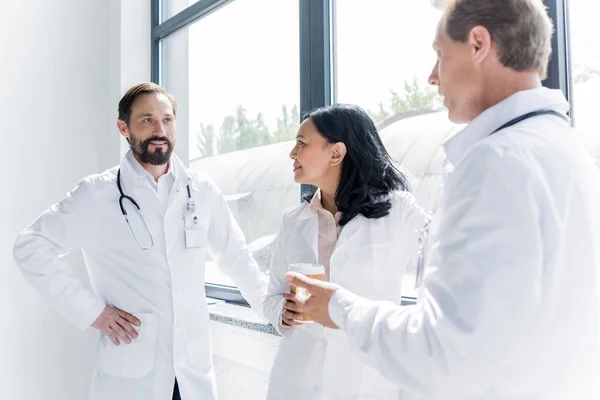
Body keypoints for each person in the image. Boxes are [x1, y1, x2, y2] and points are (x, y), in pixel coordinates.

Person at [285, 0, 600, 399]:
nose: (433, 77)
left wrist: (338, 308)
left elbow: (440, 356)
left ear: (478, 44)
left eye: (439, 55)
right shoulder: (568, 152)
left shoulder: (494, 162)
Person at [12, 82, 267, 400]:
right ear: (124, 127)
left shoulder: (201, 190)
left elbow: (237, 259)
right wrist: (92, 312)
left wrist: (274, 311)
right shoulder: (97, 193)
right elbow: (31, 246)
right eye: (147, 119)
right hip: (132, 377)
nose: (160, 129)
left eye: (167, 119)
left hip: (191, 375)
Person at [263, 104, 429, 399]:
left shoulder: (399, 209)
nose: (292, 154)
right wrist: (283, 312)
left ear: (336, 153)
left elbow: (444, 262)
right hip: (298, 380)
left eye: (301, 143)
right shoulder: (293, 220)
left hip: (365, 379)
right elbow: (273, 296)